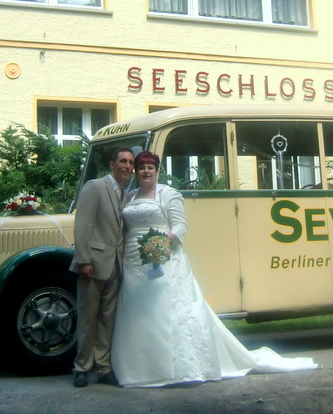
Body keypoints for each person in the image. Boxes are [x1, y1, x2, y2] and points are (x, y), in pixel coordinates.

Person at [111, 151, 317, 388]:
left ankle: (172, 368)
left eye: (151, 167)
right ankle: (138, 367)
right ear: (136, 171)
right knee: (137, 313)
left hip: (164, 261)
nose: (146, 171)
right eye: (142, 167)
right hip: (133, 263)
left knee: (164, 311)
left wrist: (158, 245)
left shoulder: (168, 194)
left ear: (158, 171)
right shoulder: (130, 196)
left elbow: (180, 227)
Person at [69, 147, 134, 388]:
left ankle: (104, 368)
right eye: (123, 161)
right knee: (88, 318)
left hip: (116, 266)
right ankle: (82, 367)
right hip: (93, 265)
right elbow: (82, 225)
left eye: (130, 163)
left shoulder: (126, 195)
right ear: (112, 164)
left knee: (108, 319)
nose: (127, 166)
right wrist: (83, 260)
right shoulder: (95, 187)